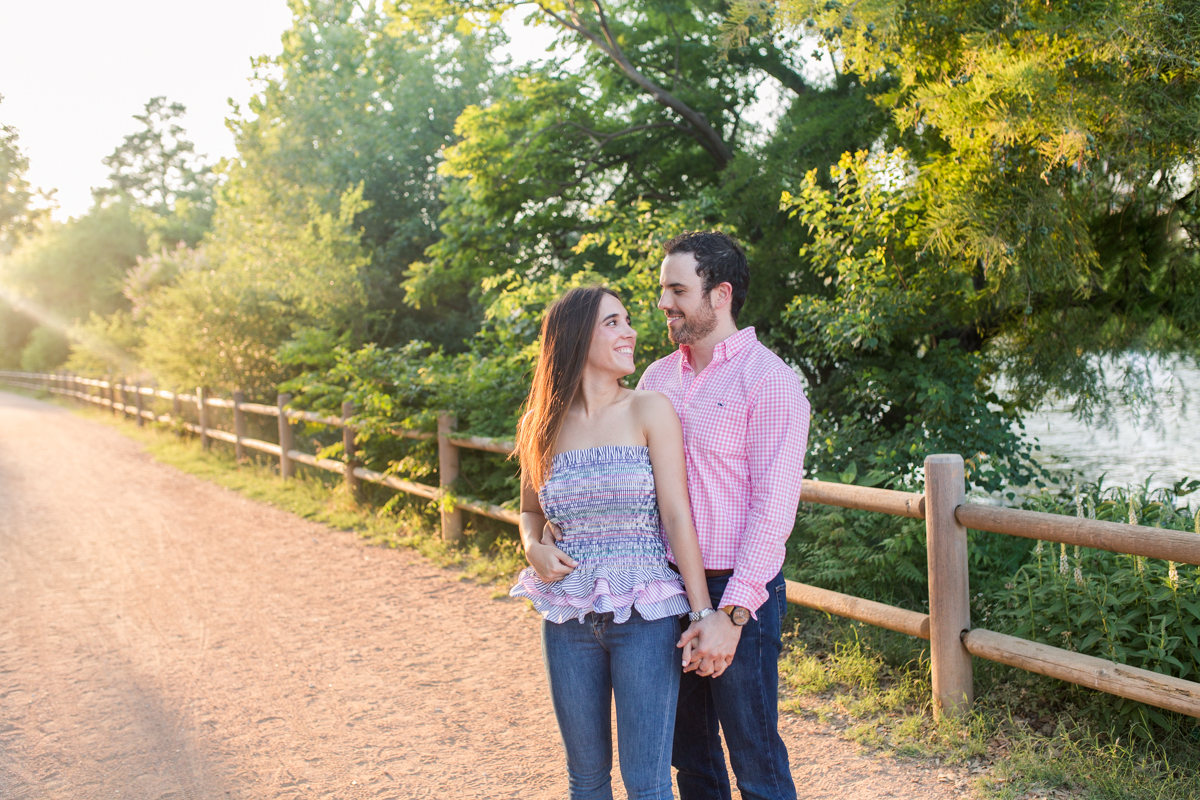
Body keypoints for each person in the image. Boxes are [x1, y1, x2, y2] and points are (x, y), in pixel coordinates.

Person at [509, 285, 717, 800]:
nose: (631, 332)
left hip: (645, 617)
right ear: (577, 337)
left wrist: (702, 613)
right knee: (586, 780)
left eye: (627, 321)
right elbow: (529, 511)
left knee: (646, 782)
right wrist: (531, 546)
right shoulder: (542, 426)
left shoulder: (650, 409)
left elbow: (676, 516)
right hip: (568, 614)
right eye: (613, 323)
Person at [640, 231, 811, 800]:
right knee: (690, 759)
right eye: (663, 289)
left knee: (755, 759)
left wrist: (731, 615)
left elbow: (773, 509)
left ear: (721, 295)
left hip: (743, 591)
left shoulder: (771, 382)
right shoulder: (656, 380)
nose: (664, 303)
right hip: (665, 588)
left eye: (677, 289)